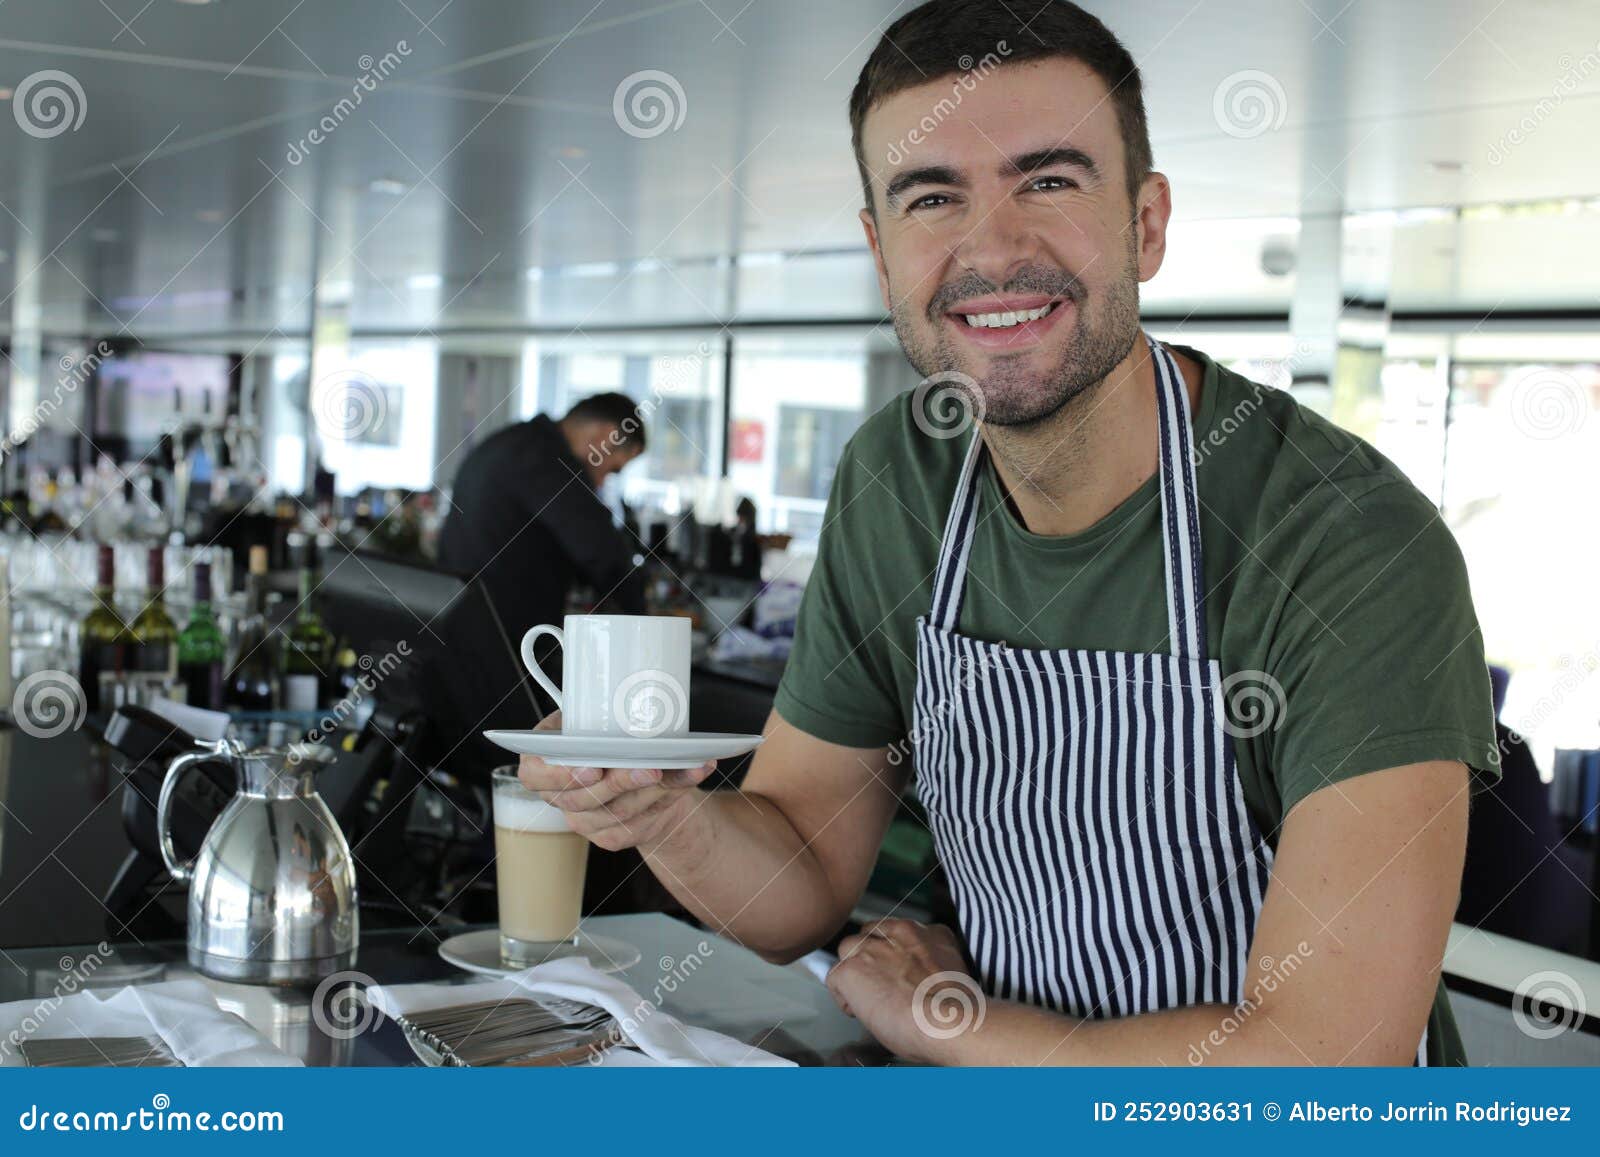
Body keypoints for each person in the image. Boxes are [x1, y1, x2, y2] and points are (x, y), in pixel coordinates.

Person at [519, 0, 1498, 1065]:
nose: (993, 248)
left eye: (1049, 180)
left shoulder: (1344, 542)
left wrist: (948, 1020)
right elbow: (796, 878)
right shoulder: (898, 477)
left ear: (1147, 223)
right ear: (880, 251)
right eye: (932, 197)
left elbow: (1327, 1055)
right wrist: (661, 813)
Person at [438, 393, 646, 653]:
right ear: (605, 436)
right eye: (614, 469)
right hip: (505, 641)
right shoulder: (546, 460)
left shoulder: (511, 442)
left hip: (462, 624)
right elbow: (601, 550)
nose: (603, 482)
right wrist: (646, 621)